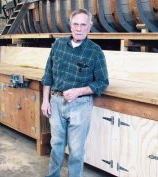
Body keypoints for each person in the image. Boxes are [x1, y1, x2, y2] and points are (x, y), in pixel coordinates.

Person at [41, 8, 109, 177]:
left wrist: (79, 91)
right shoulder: (58, 45)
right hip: (56, 103)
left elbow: (102, 82)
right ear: (70, 26)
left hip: (80, 106)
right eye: (76, 24)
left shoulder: (95, 51)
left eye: (83, 25)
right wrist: (45, 100)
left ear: (89, 27)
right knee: (56, 146)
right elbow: (47, 74)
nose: (79, 28)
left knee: (76, 151)